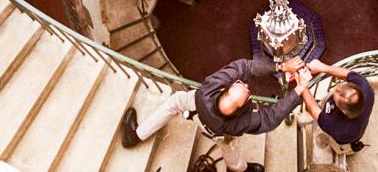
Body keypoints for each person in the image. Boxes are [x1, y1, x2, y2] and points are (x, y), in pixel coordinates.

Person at [120, 56, 305, 172]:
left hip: (194, 107)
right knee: (230, 149)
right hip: (220, 132)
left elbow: (243, 68)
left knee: (173, 103)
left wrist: (281, 67)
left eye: (240, 85)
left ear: (223, 89)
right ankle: (239, 171)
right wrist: (298, 90)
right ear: (240, 113)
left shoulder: (208, 88)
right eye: (246, 90)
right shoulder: (236, 124)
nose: (246, 85)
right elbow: (270, 118)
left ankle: (135, 136)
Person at [295, 58, 375, 150]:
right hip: (355, 125)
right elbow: (348, 75)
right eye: (339, 88)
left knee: (337, 147)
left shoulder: (338, 128)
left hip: (344, 140)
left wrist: (302, 86)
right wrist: (322, 67)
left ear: (343, 111)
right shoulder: (365, 88)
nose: (335, 89)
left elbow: (314, 110)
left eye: (336, 96)